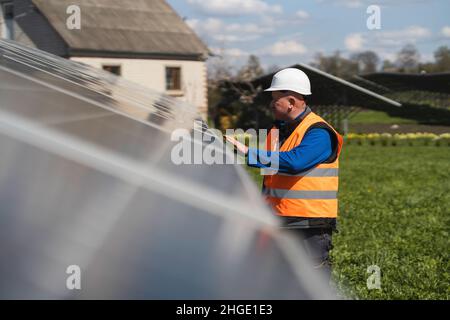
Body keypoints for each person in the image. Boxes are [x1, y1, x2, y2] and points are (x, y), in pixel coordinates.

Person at [226, 68, 343, 282]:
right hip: (278, 218)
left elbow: (294, 162)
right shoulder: (277, 130)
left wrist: (246, 151)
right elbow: (271, 175)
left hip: (308, 223)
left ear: (291, 101)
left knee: (311, 282)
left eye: (275, 99)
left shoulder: (319, 132)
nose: (271, 104)